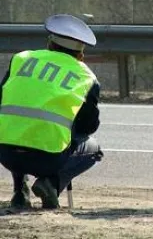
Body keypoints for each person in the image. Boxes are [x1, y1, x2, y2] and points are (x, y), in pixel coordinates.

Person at [0, 14, 103, 209]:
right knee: (93, 150)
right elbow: (88, 126)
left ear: (49, 44)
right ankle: (51, 184)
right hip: (48, 159)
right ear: (81, 55)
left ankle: (20, 191)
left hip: (5, 153)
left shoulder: (21, 59)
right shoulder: (86, 76)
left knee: (19, 127)